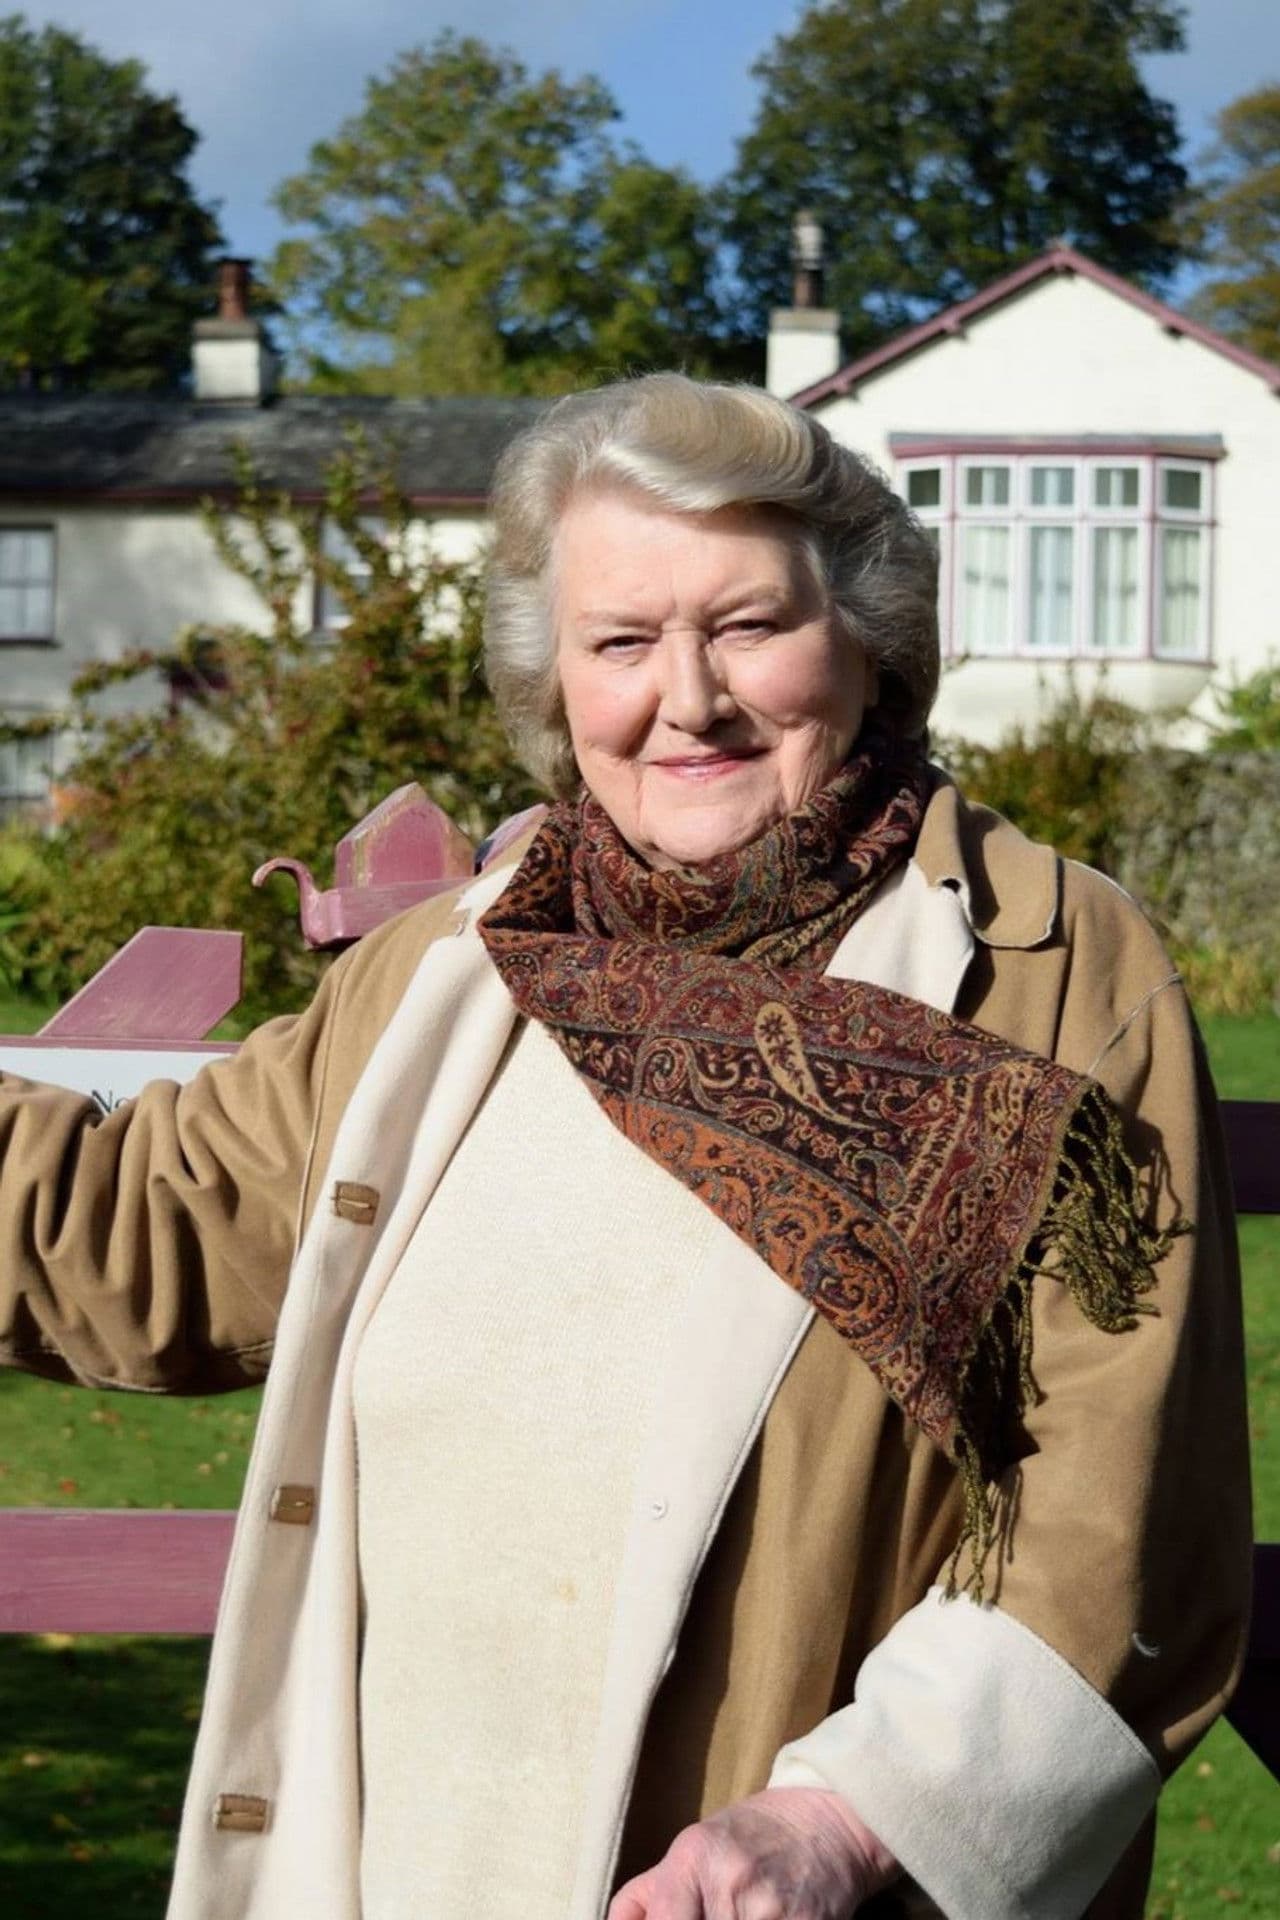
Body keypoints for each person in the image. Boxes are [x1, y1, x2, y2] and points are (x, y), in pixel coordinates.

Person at [0, 374, 1251, 1920]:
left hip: (753, 1882)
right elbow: (146, 1231)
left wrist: (852, 1824)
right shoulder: (454, 969)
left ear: (863, 637)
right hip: (396, 1857)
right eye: (620, 641)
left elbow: (1118, 1517)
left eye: (747, 626)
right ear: (554, 683)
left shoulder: (1048, 970)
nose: (688, 697)